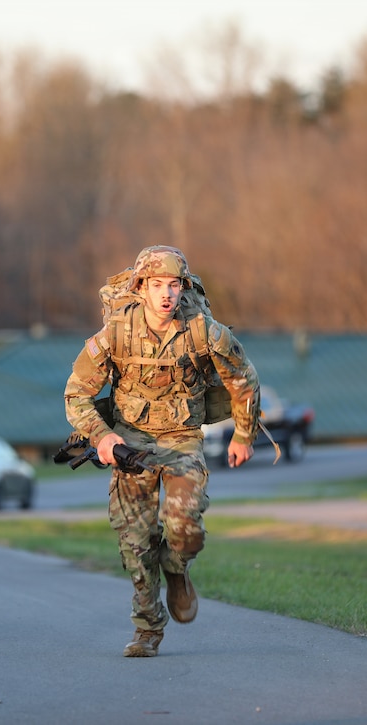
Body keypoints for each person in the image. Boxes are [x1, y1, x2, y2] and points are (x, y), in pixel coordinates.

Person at [64, 246, 261, 658]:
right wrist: (103, 438)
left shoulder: (202, 329)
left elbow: (244, 378)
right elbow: (76, 395)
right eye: (157, 286)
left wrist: (243, 435)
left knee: (184, 526)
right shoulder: (115, 333)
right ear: (141, 288)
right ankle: (148, 629)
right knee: (135, 542)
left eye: (174, 285)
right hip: (128, 443)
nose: (166, 294)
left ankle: (177, 568)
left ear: (182, 288)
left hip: (181, 439)